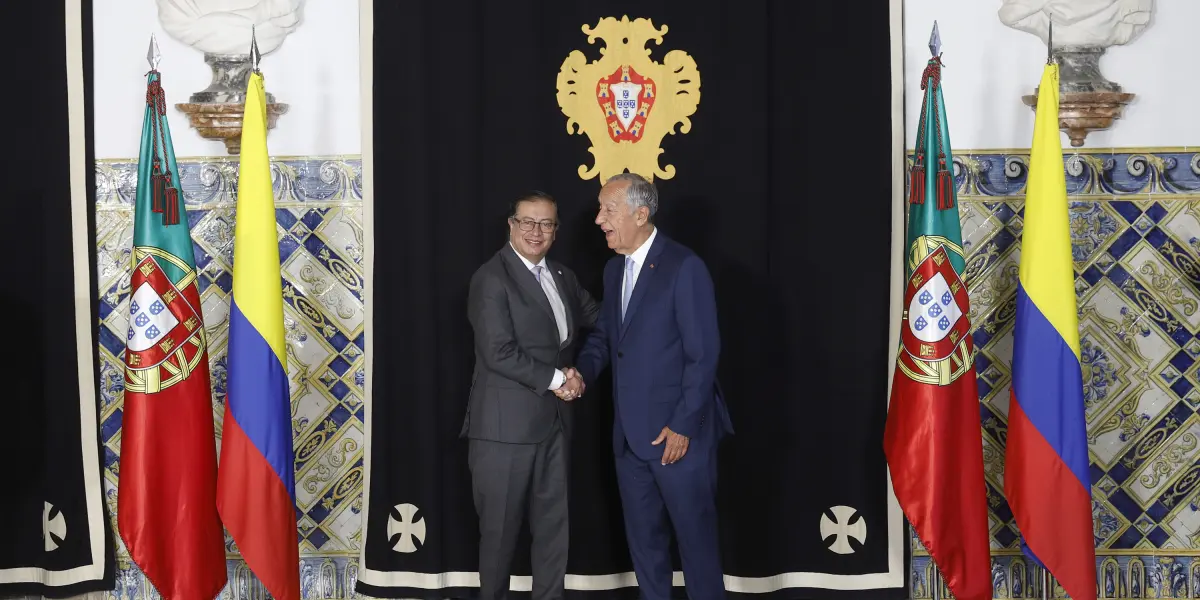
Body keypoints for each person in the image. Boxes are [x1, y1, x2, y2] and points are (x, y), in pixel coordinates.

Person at [574, 173, 733, 600]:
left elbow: (703, 355)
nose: (599, 220)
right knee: (645, 547)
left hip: (678, 438)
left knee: (697, 546)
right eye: (600, 209)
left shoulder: (685, 267)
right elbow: (606, 339)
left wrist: (683, 425)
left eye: (608, 210)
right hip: (629, 440)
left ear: (640, 214)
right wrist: (580, 375)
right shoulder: (613, 270)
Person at [460, 191, 599, 600]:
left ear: (556, 230)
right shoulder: (491, 278)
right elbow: (498, 352)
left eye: (546, 224)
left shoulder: (563, 276)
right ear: (512, 225)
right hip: (503, 432)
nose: (536, 231)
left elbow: (600, 318)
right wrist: (561, 380)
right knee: (499, 538)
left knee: (554, 533)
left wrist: (650, 306)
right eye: (528, 222)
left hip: (555, 426)